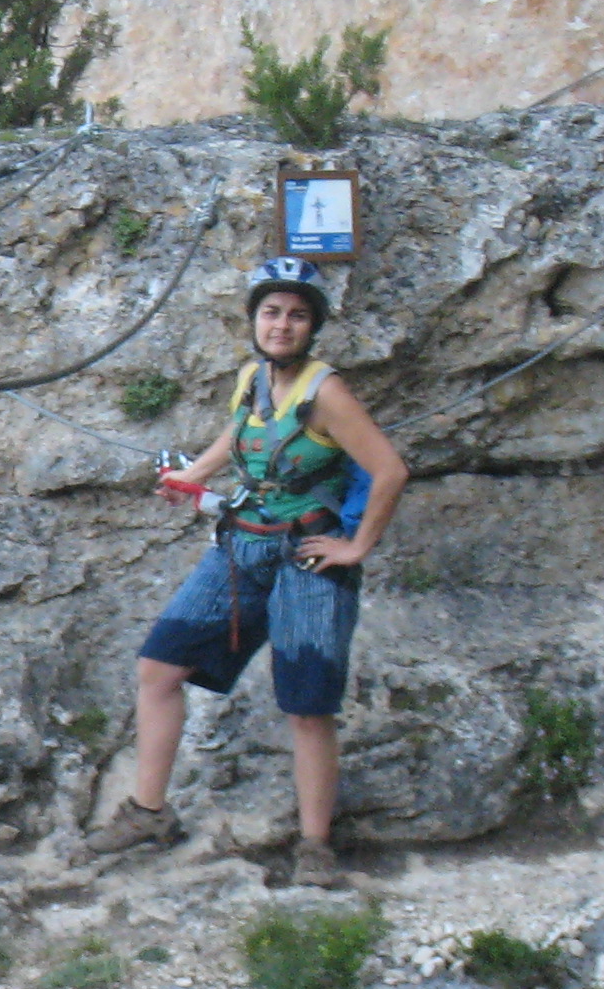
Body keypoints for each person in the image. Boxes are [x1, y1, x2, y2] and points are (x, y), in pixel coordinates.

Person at [84, 254, 408, 888]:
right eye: (271, 312)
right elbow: (236, 437)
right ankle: (148, 812)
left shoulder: (326, 393)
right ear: (255, 320)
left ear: (313, 326)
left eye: (296, 315)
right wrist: (193, 476)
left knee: (307, 703)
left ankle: (314, 846)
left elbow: (390, 470)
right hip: (243, 544)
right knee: (159, 668)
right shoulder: (252, 379)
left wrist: (356, 547)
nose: (281, 325)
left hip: (309, 555)